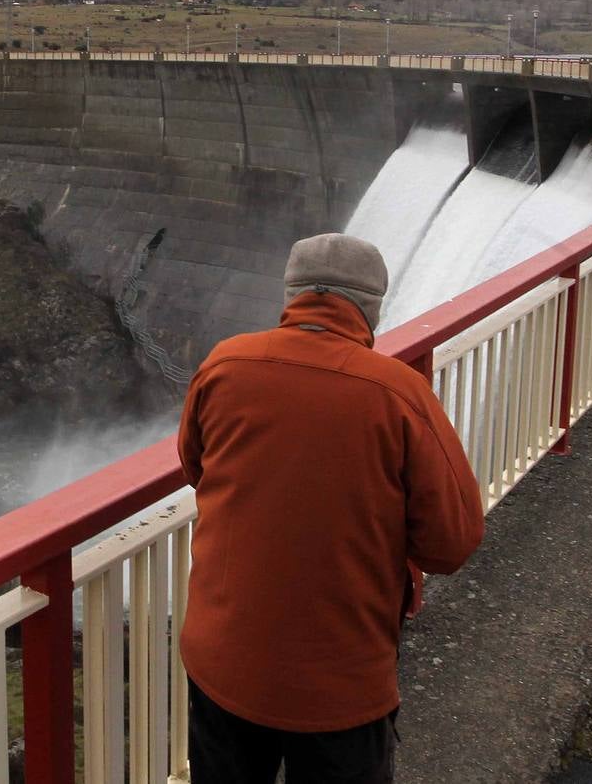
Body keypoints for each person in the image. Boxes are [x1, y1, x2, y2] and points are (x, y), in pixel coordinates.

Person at [177, 232, 484, 783]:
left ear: (291, 296)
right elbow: (451, 544)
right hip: (340, 685)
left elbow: (196, 467)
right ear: (371, 308)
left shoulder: (225, 365)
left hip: (222, 664)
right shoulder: (398, 393)